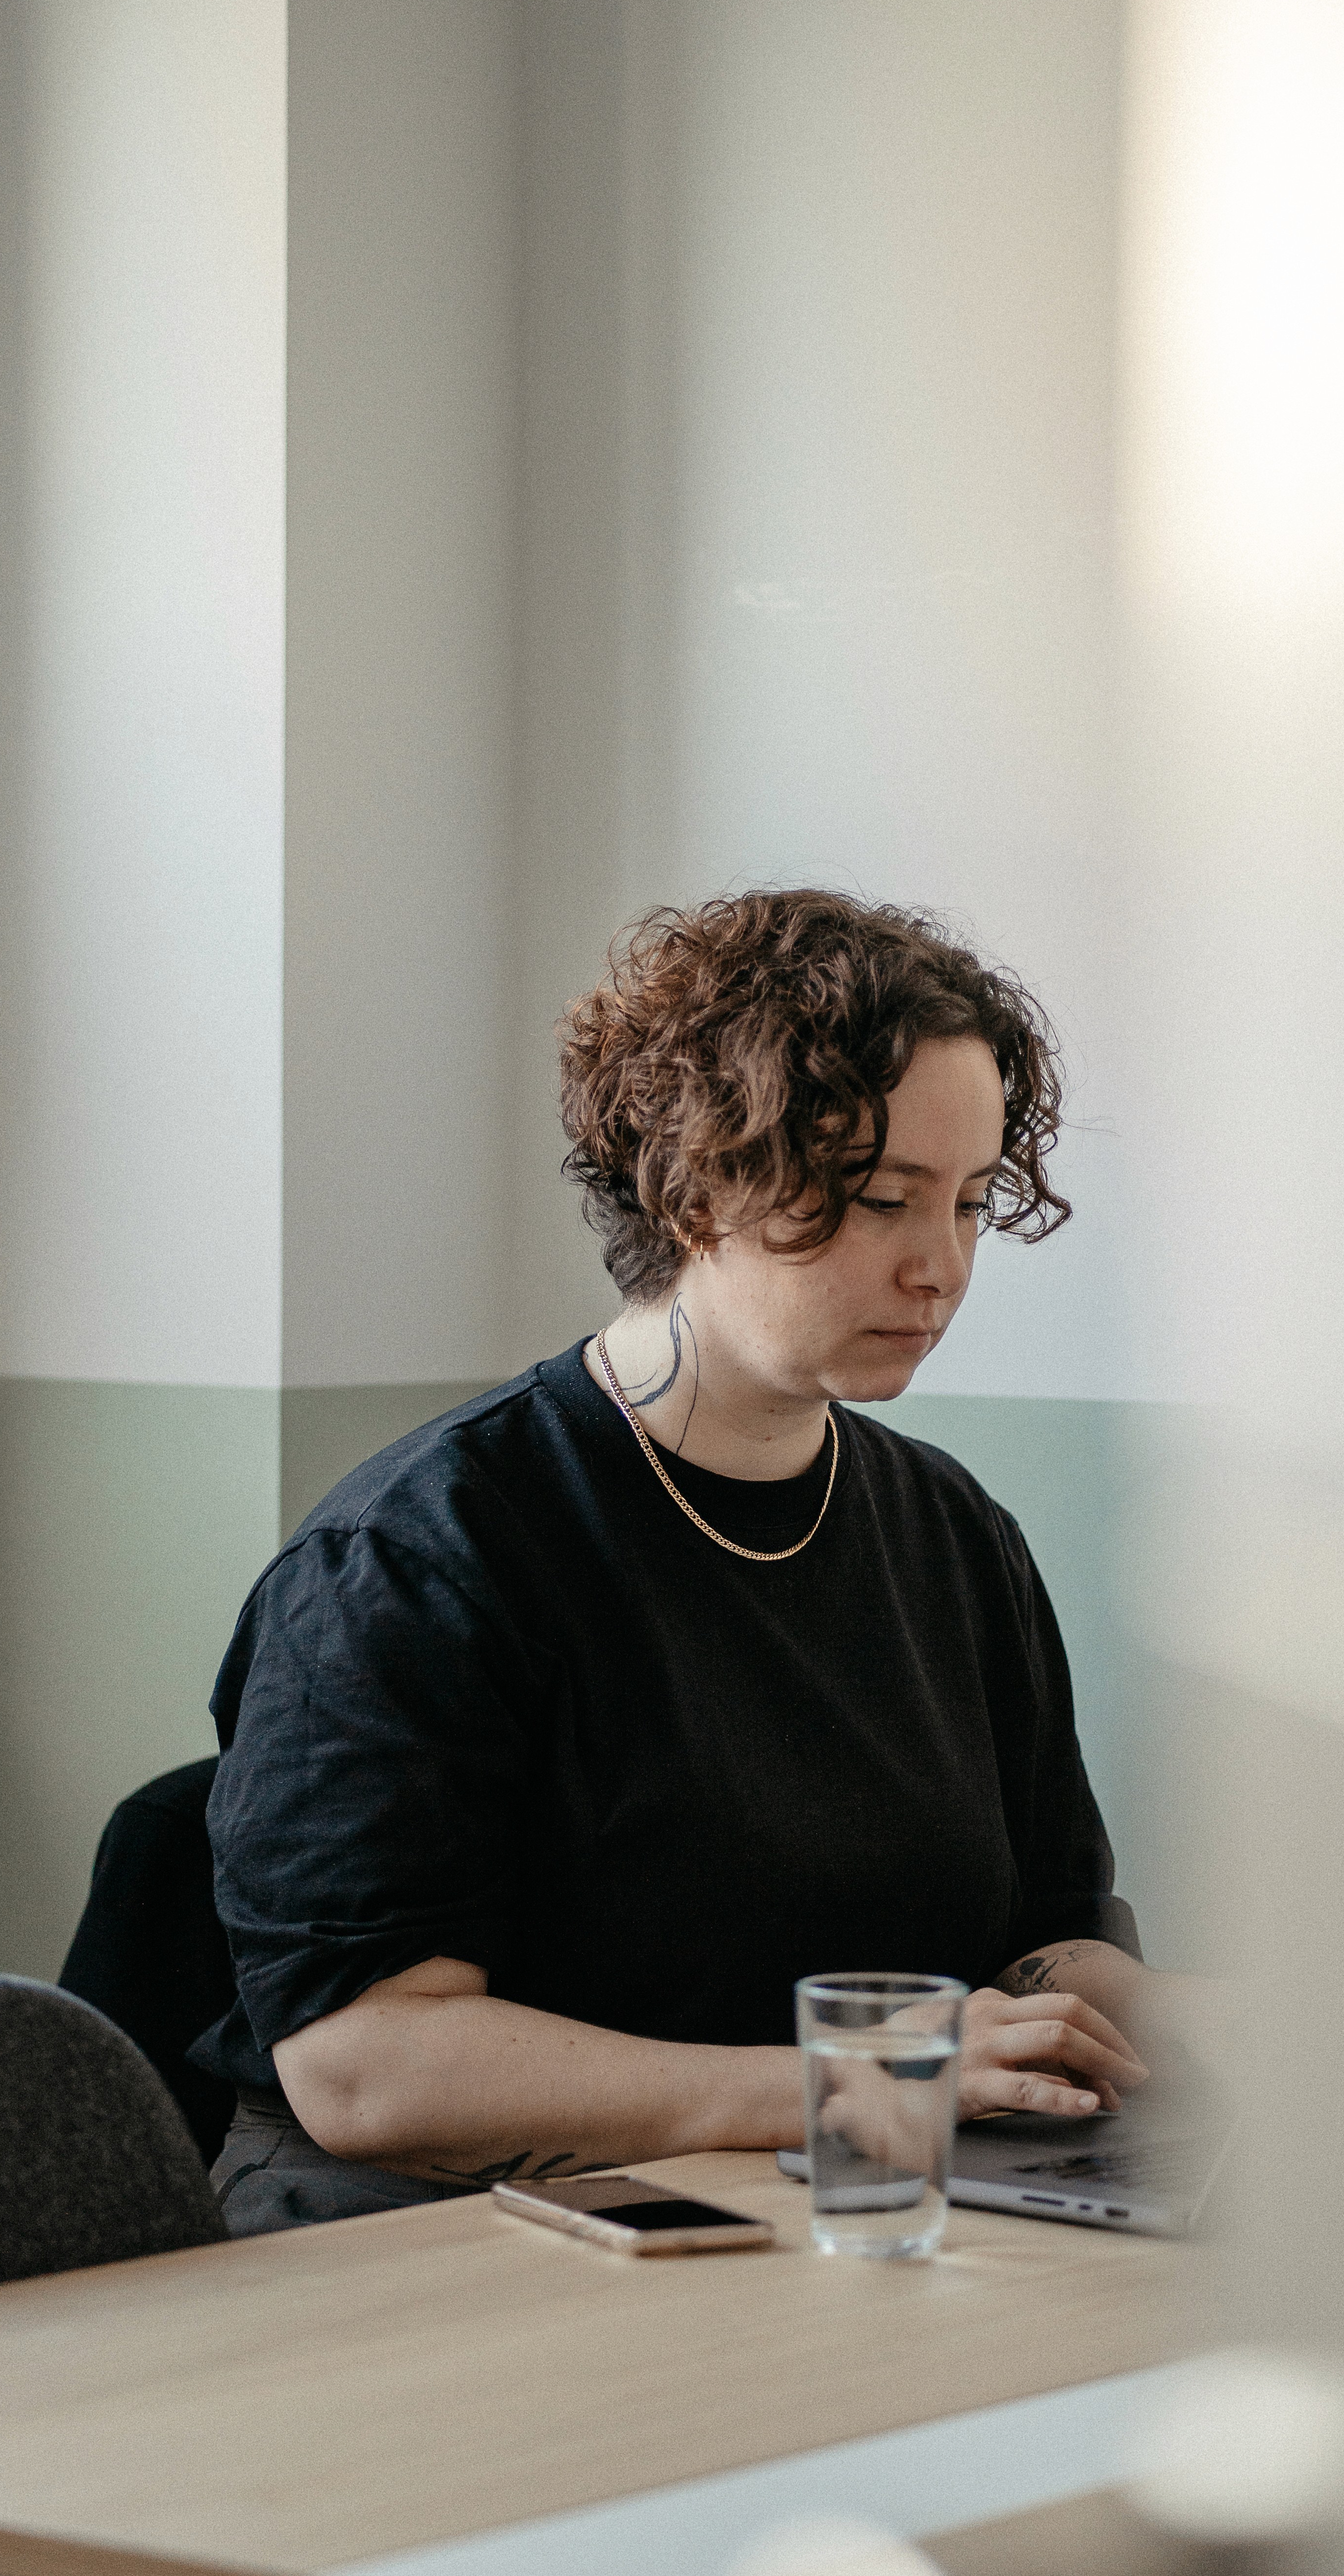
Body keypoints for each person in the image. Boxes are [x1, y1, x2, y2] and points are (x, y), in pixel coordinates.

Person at [191, 887, 1219, 2239]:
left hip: (828, 2194)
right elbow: (366, 2069)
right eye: (877, 1199)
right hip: (444, 2231)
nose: (940, 1268)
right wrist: (852, 2086)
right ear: (695, 1182)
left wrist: (1231, 2033)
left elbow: (1040, 1941)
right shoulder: (418, 1555)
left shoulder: (955, 1537)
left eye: (969, 1203)